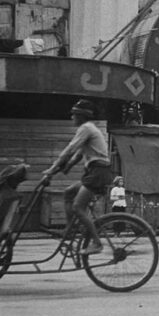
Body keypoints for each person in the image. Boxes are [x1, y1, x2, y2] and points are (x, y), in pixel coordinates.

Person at [42, 99, 112, 255]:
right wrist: (66, 167)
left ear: (81, 116)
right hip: (94, 171)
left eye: (74, 115)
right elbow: (78, 155)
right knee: (68, 192)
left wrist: (52, 168)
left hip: (98, 172)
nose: (71, 118)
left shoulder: (86, 128)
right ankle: (70, 229)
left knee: (77, 207)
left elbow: (70, 149)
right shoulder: (89, 129)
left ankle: (96, 243)